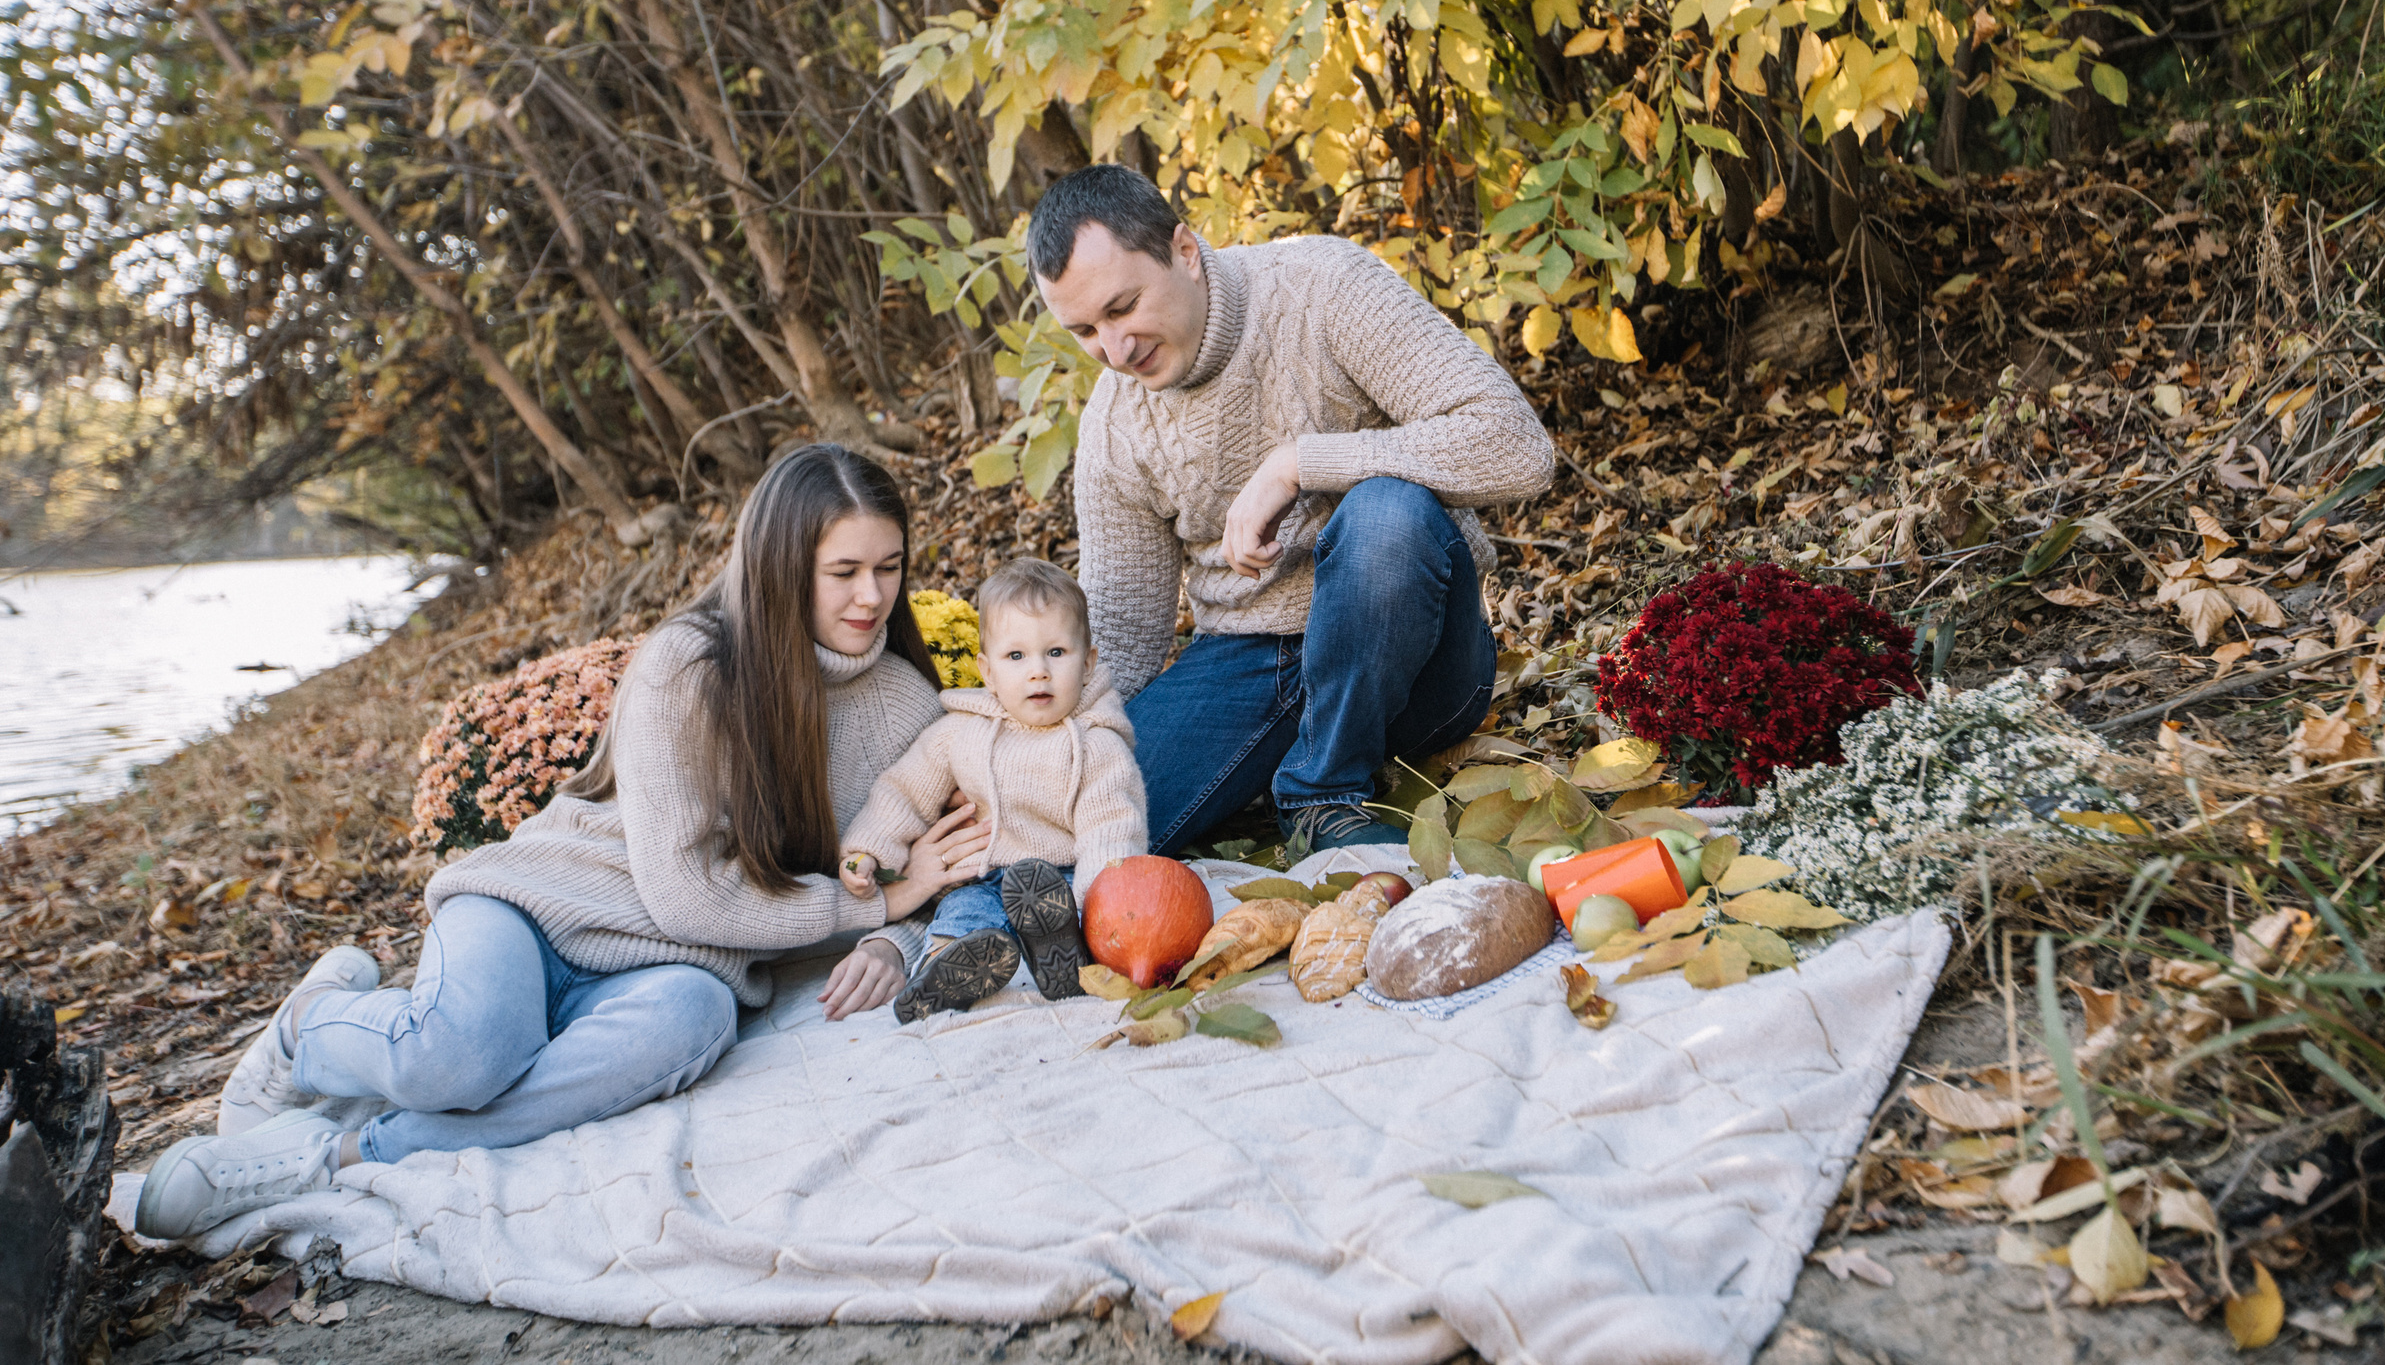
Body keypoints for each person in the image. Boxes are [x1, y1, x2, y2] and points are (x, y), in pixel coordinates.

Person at [136, 445, 993, 1240]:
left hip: (678, 967)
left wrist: (894, 935)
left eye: (889, 568)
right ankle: (308, 1027)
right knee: (462, 1054)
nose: (872, 598)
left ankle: (336, 1153)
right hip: (541, 904)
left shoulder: (904, 705)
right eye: (841, 571)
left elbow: (948, 858)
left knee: (696, 1023)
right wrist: (875, 900)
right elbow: (684, 895)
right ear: (777, 567)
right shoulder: (689, 668)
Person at [1028, 163, 1555, 856]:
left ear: (1185, 252)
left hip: (1414, 656)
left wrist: (1299, 463)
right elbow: (1122, 632)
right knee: (1076, 822)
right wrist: (1033, 757)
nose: (1116, 350)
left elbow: (1517, 445)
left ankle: (1322, 794)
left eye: (1123, 307)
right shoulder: (1113, 424)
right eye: (1086, 331)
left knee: (1386, 513)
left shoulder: (1323, 287)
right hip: (1252, 665)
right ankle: (968, 919)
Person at [840, 558, 1146, 1020]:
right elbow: (903, 793)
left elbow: (1111, 834)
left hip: (1063, 880)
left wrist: (1101, 915)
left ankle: (1066, 953)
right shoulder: (960, 733)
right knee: (962, 913)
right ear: (987, 669)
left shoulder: (1098, 746)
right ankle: (947, 969)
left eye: (1057, 653)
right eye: (1016, 656)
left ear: (1089, 662)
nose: (1038, 671)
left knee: (1060, 906)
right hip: (984, 876)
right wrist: (868, 853)